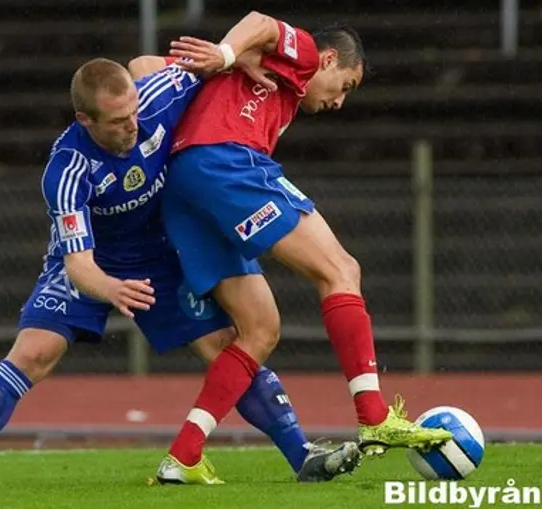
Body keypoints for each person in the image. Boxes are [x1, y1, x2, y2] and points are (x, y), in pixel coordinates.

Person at [0, 53, 359, 490]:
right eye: (118, 121)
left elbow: (206, 62)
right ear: (86, 120)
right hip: (96, 261)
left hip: (161, 254)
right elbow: (78, 263)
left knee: (225, 347)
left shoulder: (159, 95)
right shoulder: (67, 169)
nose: (133, 125)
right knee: (34, 353)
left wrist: (237, 58)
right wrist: (110, 288)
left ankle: (303, 456)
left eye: (134, 111)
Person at [131, 11, 455, 477]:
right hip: (227, 163)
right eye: (345, 84)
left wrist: (230, 60)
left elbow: (142, 65)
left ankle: (182, 457)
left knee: (259, 329)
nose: (340, 101)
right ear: (327, 61)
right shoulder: (303, 53)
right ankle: (374, 416)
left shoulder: (260, 75)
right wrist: (228, 52)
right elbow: (261, 20)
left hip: (182, 190)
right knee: (341, 271)